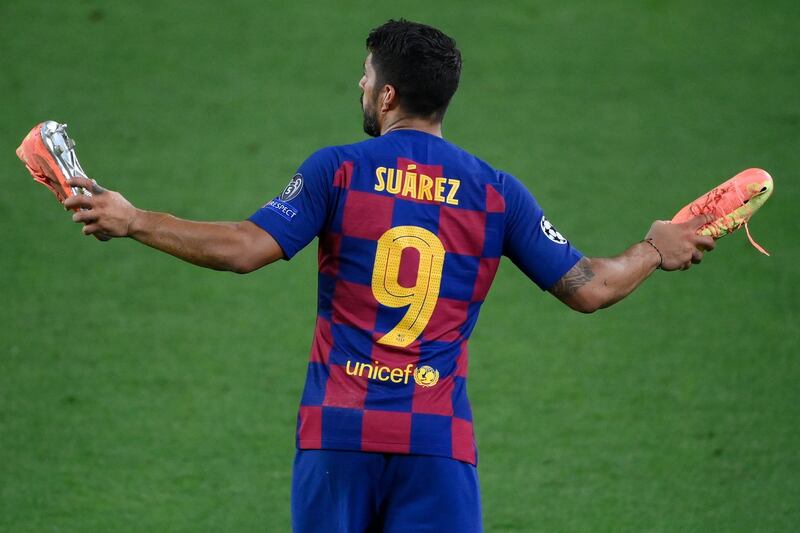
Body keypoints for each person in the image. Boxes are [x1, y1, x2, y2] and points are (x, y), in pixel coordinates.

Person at [63, 18, 714, 533]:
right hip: (437, 443)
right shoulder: (495, 193)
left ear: (389, 94)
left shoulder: (338, 170)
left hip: (338, 435)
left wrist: (133, 219)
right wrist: (655, 246)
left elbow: (245, 247)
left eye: (365, 77)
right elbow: (592, 285)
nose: (360, 88)